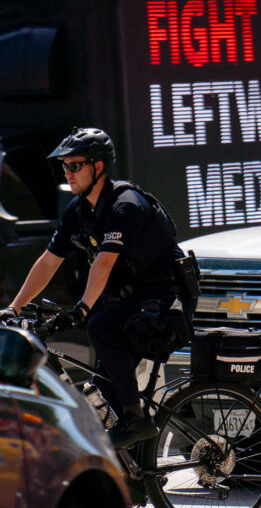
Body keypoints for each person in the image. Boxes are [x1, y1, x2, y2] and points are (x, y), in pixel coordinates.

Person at [0, 127, 197, 449]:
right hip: (131, 296)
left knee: (102, 325)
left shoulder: (126, 204)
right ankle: (130, 470)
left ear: (99, 166)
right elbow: (49, 261)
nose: (68, 172)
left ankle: (136, 418)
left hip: (166, 295)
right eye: (64, 166)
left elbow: (103, 263)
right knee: (104, 393)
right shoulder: (78, 211)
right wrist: (15, 307)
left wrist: (82, 308)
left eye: (75, 165)